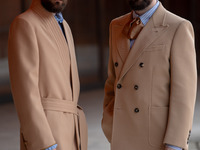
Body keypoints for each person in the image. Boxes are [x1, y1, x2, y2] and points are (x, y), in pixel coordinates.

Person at [101, 0, 197, 150]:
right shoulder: (116, 25)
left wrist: (175, 143)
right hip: (121, 136)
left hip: (157, 140)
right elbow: (112, 80)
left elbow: (184, 93)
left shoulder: (178, 26)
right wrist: (109, 120)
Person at [8, 0, 87, 150]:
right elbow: (24, 91)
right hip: (48, 133)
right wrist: (41, 140)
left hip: (72, 129)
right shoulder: (25, 23)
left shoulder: (64, 25)